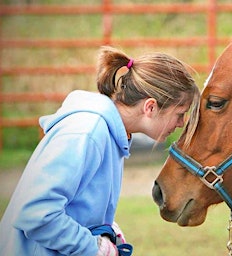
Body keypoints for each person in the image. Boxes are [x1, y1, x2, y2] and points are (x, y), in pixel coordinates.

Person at [0, 46, 200, 256]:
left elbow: (75, 204)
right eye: (180, 114)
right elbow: (36, 213)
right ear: (150, 107)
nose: (180, 124)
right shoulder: (88, 133)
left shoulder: (113, 136)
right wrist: (95, 247)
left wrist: (107, 228)